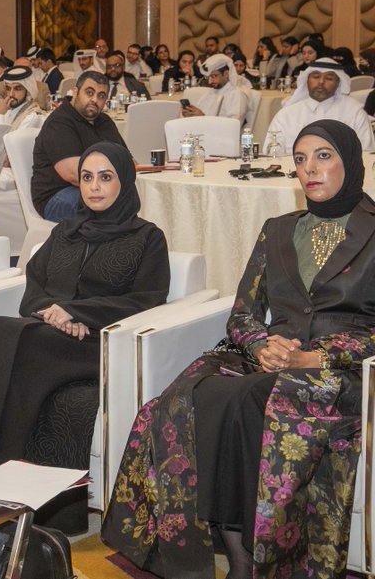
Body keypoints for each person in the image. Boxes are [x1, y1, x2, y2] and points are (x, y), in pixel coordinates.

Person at [103, 120, 375, 579]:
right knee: (186, 397)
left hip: (342, 369)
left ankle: (255, 562)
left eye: (324, 156)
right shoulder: (279, 228)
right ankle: (227, 556)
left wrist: (317, 357)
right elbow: (243, 312)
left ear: (350, 161)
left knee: (251, 400)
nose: (310, 169)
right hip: (270, 356)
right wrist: (263, 343)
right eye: (301, 158)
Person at [0, 142, 168, 467]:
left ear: (125, 182)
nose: (94, 186)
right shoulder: (66, 232)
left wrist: (78, 313)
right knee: (0, 328)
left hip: (97, 342)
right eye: (87, 177)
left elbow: (148, 299)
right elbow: (33, 283)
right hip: (51, 332)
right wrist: (55, 313)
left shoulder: (146, 237)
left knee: (14, 334)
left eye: (105, 177)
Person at [32, 71, 126, 223]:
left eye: (101, 96)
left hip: (99, 188)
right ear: (75, 92)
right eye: (89, 92)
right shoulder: (59, 122)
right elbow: (74, 175)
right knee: (113, 204)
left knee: (143, 198)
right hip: (57, 195)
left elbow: (128, 160)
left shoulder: (105, 122)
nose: (94, 100)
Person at [265, 58, 375, 153]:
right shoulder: (287, 114)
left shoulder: (354, 112)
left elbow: (367, 152)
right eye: (316, 76)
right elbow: (270, 154)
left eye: (329, 78)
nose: (321, 82)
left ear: (338, 83)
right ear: (306, 81)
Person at [181, 53, 248, 123]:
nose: (209, 82)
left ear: (226, 74)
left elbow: (234, 126)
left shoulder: (237, 94)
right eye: (208, 77)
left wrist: (202, 117)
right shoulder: (210, 92)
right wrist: (191, 114)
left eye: (213, 76)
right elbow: (200, 114)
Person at [0, 65, 46, 131]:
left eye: (17, 89)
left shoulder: (32, 117)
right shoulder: (9, 110)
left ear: (28, 91)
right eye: (8, 88)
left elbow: (1, 140)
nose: (11, 94)